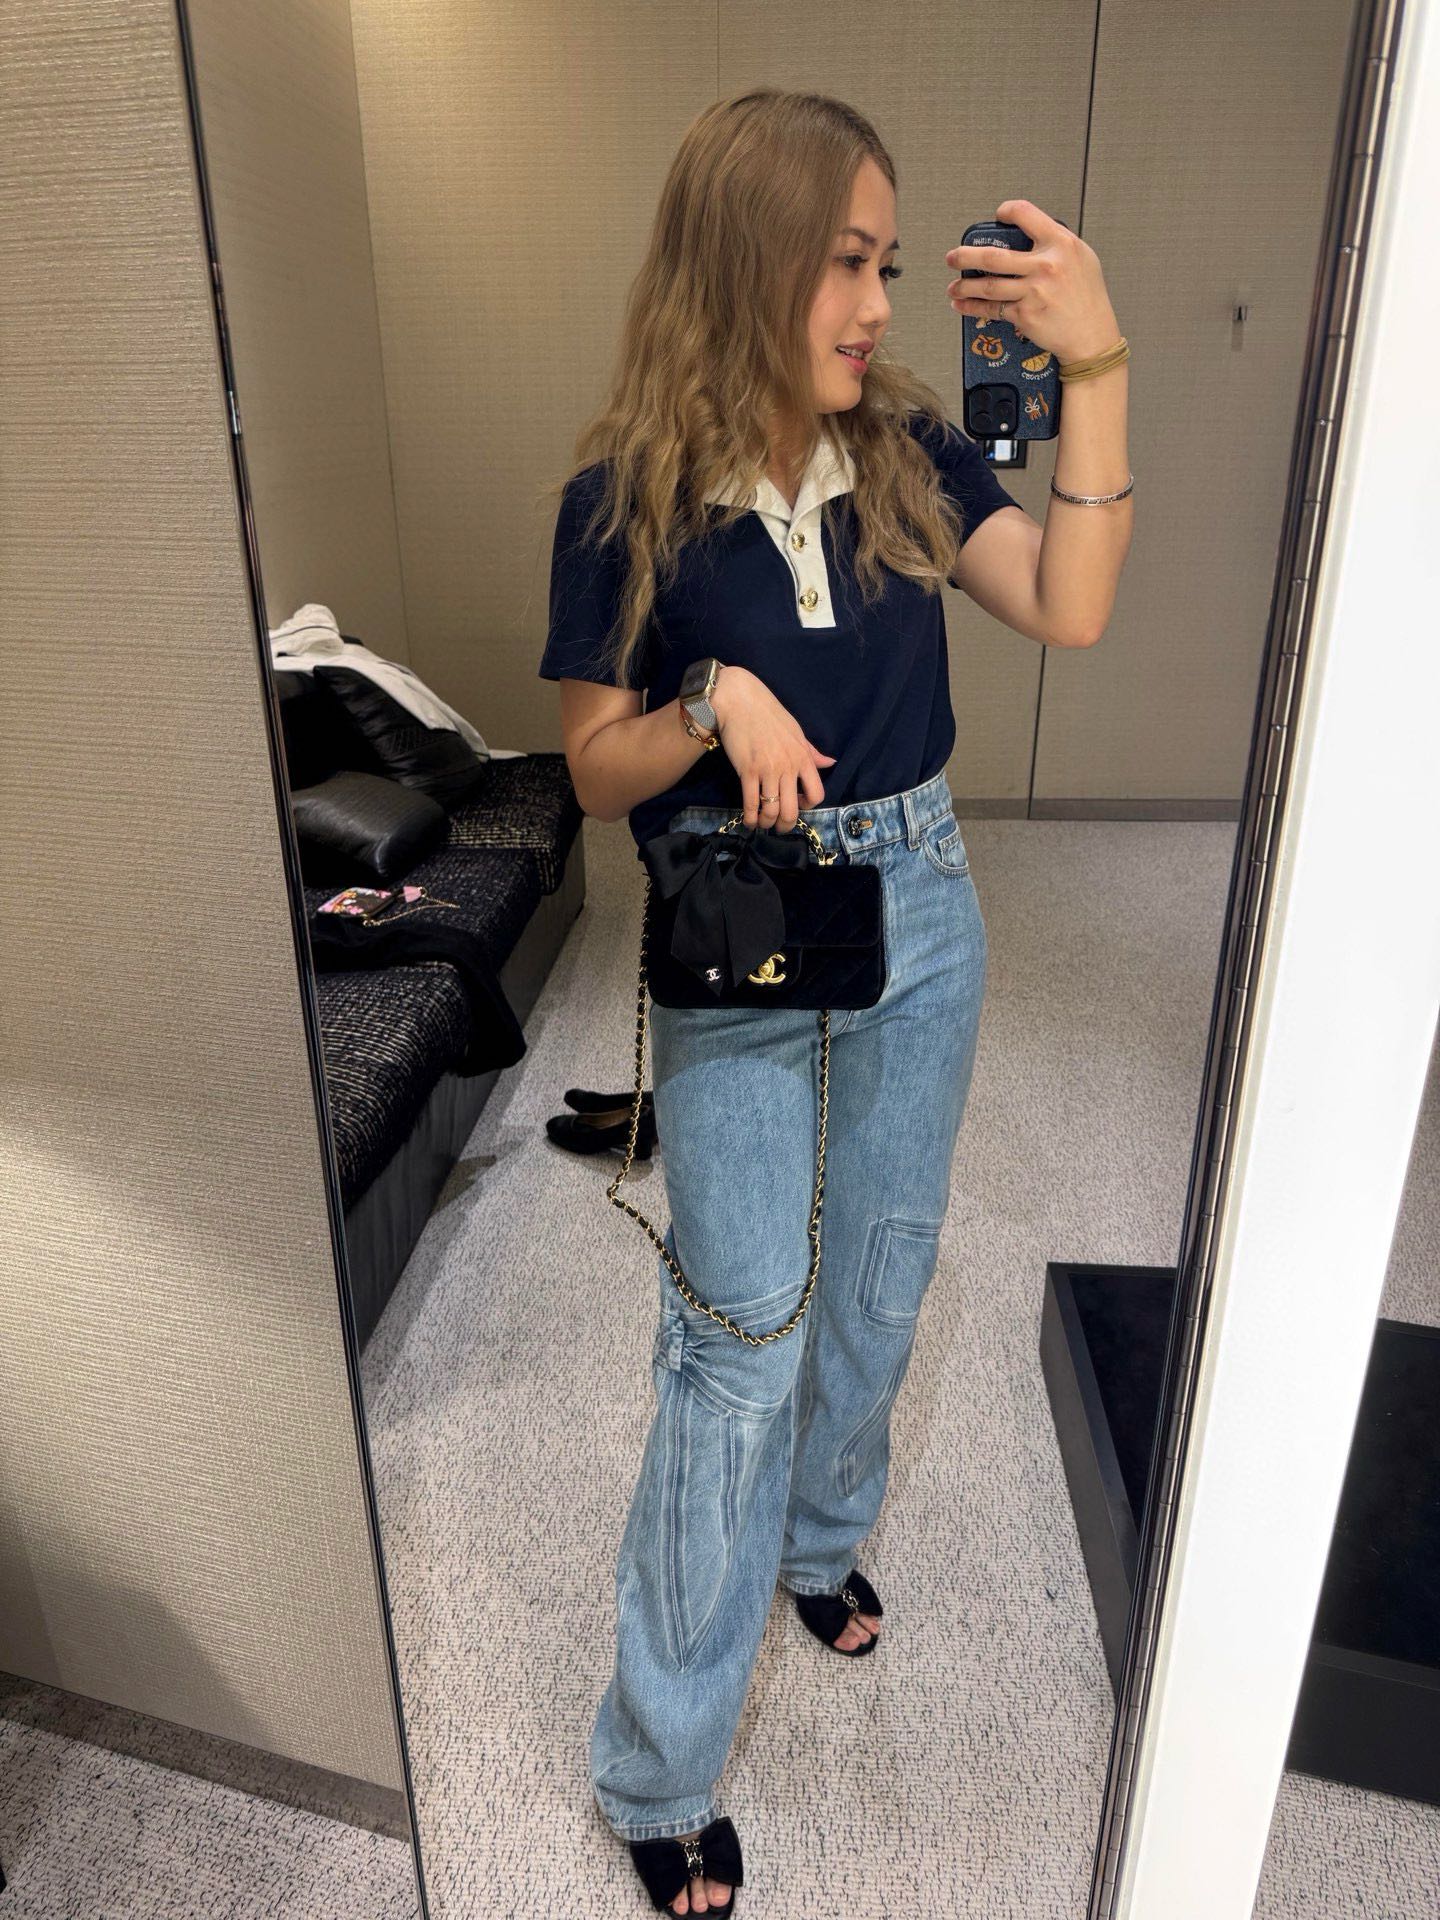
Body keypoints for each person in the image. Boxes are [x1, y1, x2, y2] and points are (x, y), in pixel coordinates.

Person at [537, 87, 1132, 1917]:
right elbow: (593, 772)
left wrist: (1098, 366)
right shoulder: (622, 501)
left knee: (880, 1271)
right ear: (745, 264)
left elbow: (1072, 605)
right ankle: (656, 1770)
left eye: (887, 262)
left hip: (919, 907)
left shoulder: (908, 454)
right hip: (737, 921)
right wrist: (708, 697)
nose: (877, 304)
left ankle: (819, 1541)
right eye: (845, 264)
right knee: (742, 1341)